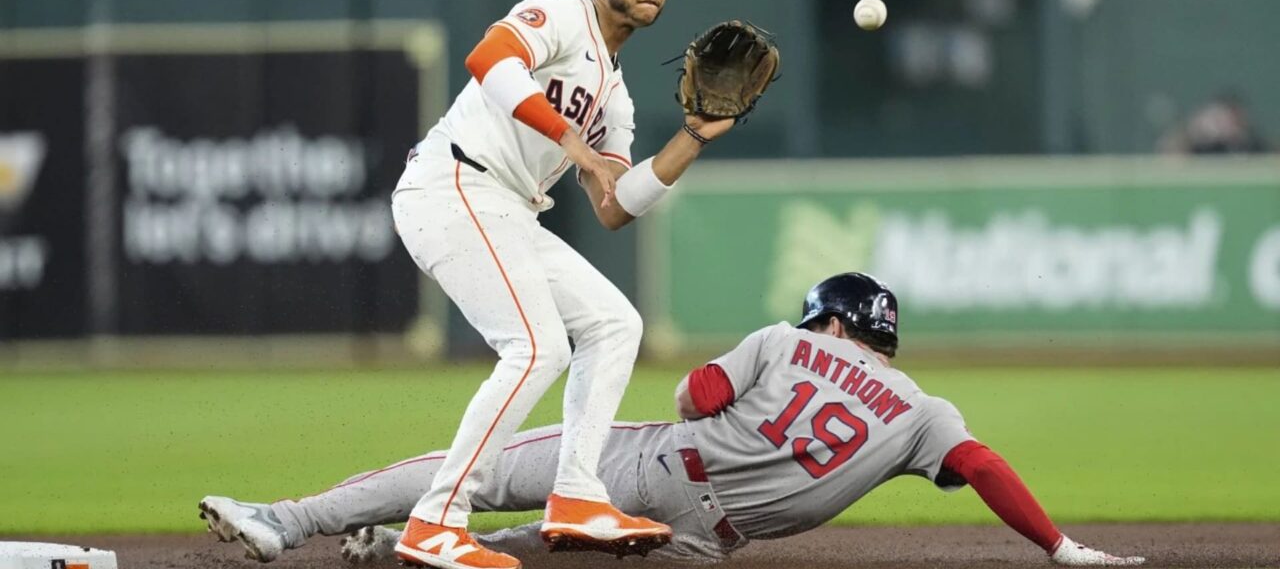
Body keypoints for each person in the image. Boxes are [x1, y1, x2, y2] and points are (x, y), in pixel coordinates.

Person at [199, 0, 738, 568]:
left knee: (615, 323)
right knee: (537, 348)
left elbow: (613, 204)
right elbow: (489, 57)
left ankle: (575, 492)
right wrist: (571, 141)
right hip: (453, 185)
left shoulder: (615, 97)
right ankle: (437, 520)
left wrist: (691, 139)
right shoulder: (558, 18)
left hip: (507, 209)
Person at [200, 273, 1145, 567]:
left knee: (473, 467)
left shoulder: (783, 338)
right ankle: (393, 549)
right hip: (702, 544)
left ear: (830, 322)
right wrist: (1058, 547)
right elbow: (982, 467)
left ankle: (289, 520)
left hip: (658, 466)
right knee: (528, 554)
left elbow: (695, 396)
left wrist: (726, 387)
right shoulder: (925, 413)